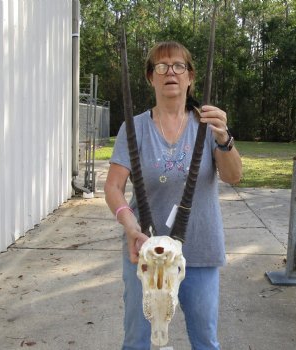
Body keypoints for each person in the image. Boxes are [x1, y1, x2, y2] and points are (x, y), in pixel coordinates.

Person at [104, 41, 242, 350]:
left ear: (190, 76)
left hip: (200, 249)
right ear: (150, 77)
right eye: (161, 66)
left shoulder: (207, 125)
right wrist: (130, 227)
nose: (171, 72)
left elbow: (233, 176)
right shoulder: (135, 127)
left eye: (179, 66)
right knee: (137, 340)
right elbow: (113, 187)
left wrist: (225, 138)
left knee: (206, 341)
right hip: (144, 250)